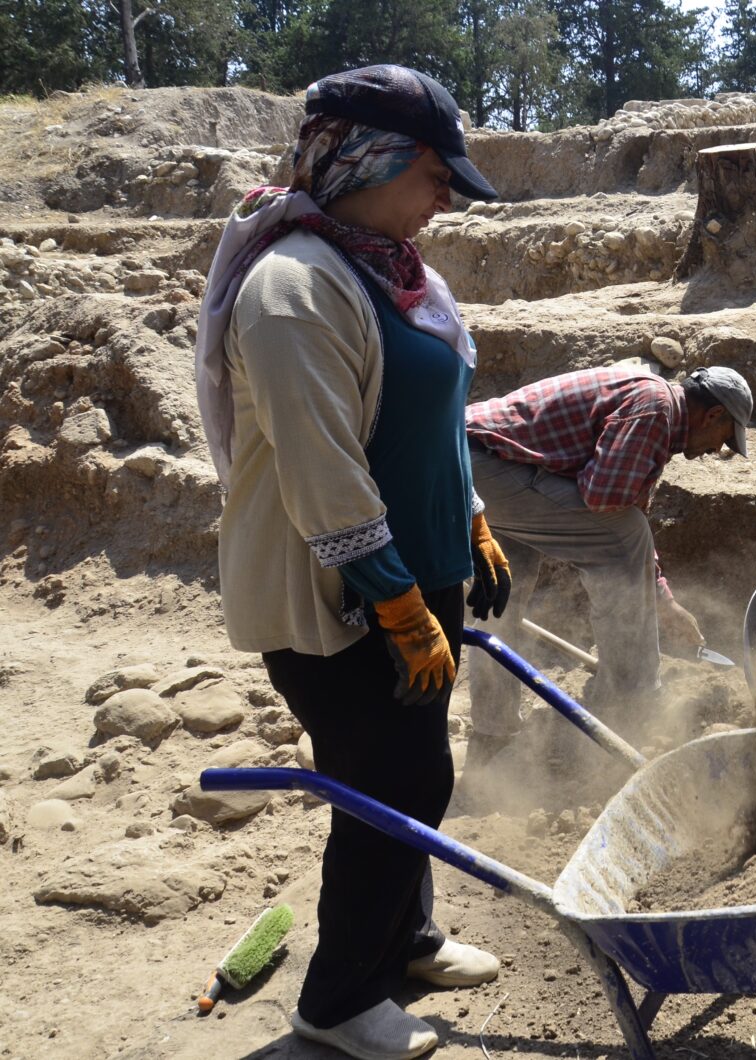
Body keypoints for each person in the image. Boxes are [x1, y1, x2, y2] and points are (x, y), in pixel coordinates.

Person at [194, 65, 512, 1060]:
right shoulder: (294, 289)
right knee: (393, 783)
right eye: (433, 174)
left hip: (417, 575)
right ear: (371, 164)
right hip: (341, 599)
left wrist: (468, 515)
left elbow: (429, 422)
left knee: (410, 776)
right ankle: (338, 1005)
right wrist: (395, 603)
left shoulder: (392, 266)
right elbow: (324, 470)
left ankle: (404, 938)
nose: (448, 197)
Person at [462, 364, 753, 764]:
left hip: (473, 461)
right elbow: (605, 502)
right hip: (477, 465)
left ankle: (490, 738)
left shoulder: (656, 409)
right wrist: (651, 596)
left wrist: (664, 602)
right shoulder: (654, 410)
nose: (719, 449)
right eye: (725, 439)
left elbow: (617, 504)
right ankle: (632, 705)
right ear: (714, 414)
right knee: (626, 534)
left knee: (503, 595)